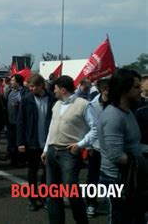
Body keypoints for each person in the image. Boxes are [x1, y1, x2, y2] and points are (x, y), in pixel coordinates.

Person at [41, 75, 96, 224]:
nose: (54, 91)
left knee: (71, 191)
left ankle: (81, 220)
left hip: (69, 153)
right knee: (53, 193)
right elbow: (52, 128)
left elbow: (96, 128)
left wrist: (80, 144)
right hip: (53, 151)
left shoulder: (83, 104)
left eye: (56, 89)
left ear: (63, 90)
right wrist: (46, 149)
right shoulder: (57, 104)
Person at [98, 69, 147, 223]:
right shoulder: (113, 116)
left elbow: (133, 145)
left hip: (131, 179)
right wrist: (143, 163)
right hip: (116, 180)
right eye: (137, 87)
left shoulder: (128, 112)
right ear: (124, 90)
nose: (142, 90)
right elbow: (116, 155)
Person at [17, 73, 56, 211]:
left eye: (33, 86)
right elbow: (21, 122)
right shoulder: (27, 99)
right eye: (30, 86)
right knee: (32, 171)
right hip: (31, 141)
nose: (30, 89)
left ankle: (45, 197)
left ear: (41, 86)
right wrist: (20, 142)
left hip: (48, 142)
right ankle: (32, 199)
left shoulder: (53, 99)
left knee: (47, 172)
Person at [85, 78, 109, 217]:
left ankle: (110, 200)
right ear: (103, 90)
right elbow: (88, 127)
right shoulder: (92, 105)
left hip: (112, 149)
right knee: (92, 177)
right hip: (96, 148)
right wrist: (88, 147)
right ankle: (91, 204)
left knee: (112, 177)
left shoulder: (117, 104)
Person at [7, 74, 28, 166]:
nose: (11, 82)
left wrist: (18, 105)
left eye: (13, 80)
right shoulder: (10, 91)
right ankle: (13, 160)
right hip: (10, 121)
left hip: (19, 122)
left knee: (20, 142)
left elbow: (26, 105)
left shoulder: (24, 92)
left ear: (18, 82)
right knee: (11, 142)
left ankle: (21, 160)